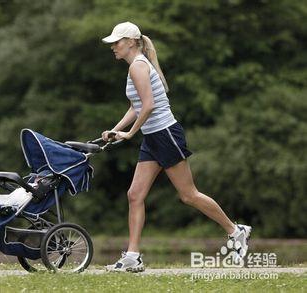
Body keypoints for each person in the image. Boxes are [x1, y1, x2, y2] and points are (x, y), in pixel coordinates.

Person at [100, 22, 251, 272]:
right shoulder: (135, 66)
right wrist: (116, 129)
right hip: (153, 137)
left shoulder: (138, 67)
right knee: (134, 195)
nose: (113, 47)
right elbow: (136, 106)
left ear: (130, 42)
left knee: (188, 195)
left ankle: (236, 231)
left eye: (116, 42)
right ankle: (132, 256)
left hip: (165, 135)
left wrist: (129, 134)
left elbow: (148, 106)